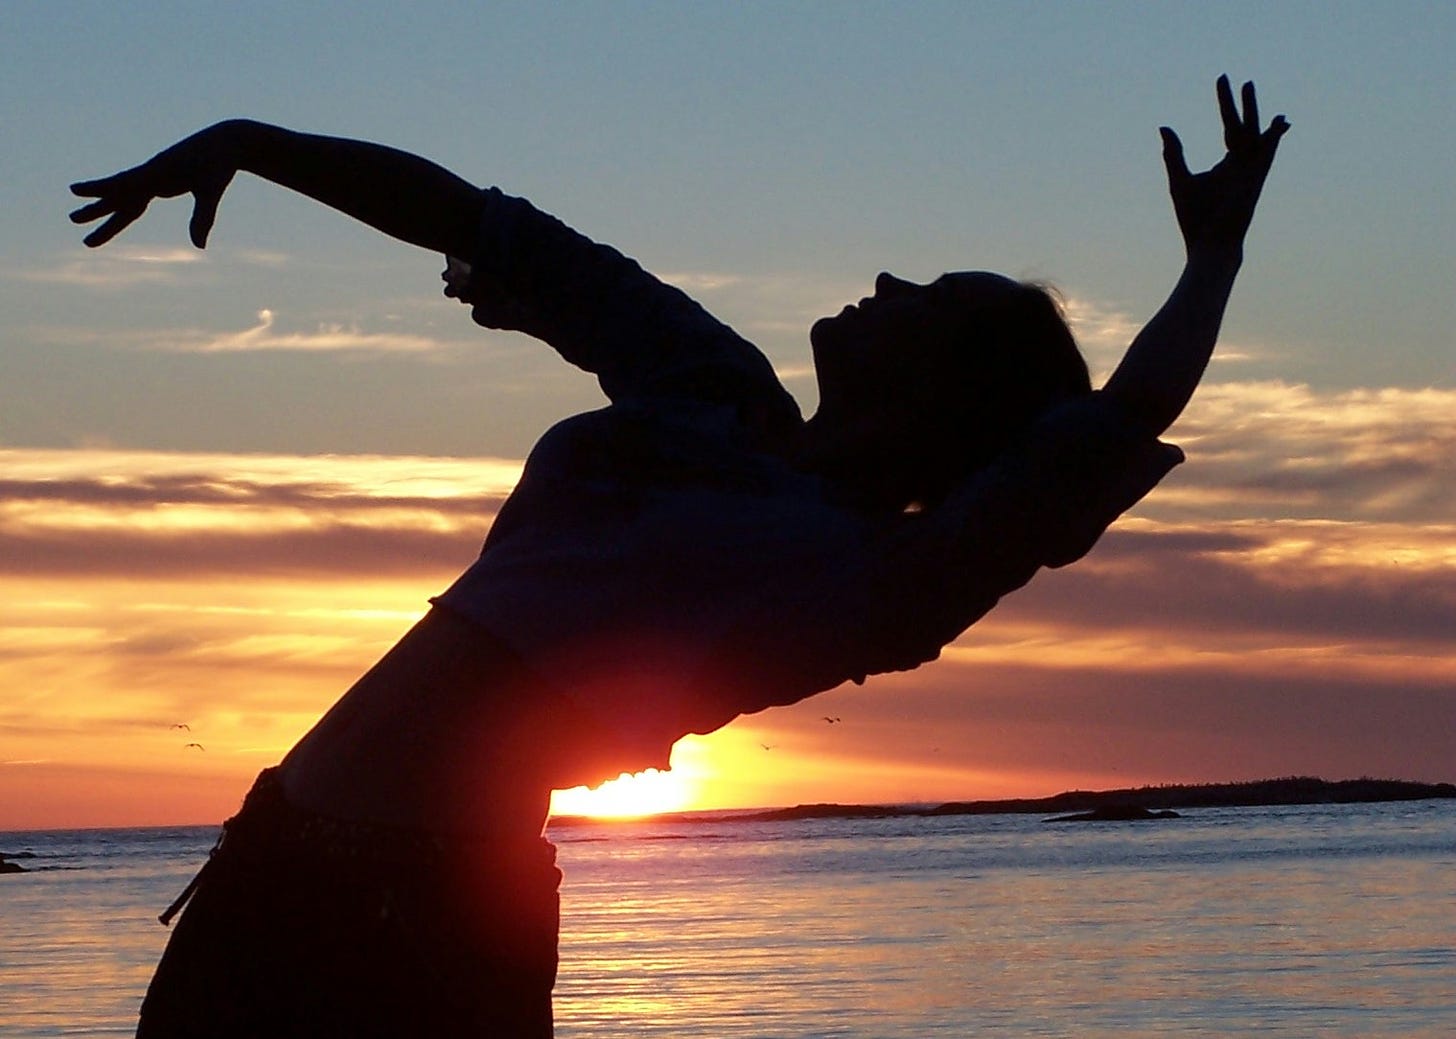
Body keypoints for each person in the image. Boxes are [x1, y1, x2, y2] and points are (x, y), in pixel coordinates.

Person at [71, 76, 1286, 1038]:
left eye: (929, 295)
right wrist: (248, 140)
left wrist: (1212, 261)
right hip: (271, 864)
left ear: (951, 394)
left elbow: (1109, 428)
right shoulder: (713, 388)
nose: (884, 280)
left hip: (434, 930)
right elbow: (484, 223)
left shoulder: (869, 582)